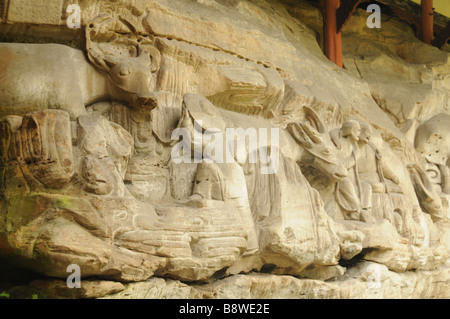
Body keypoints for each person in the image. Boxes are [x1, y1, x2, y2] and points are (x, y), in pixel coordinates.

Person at [330, 120, 372, 222]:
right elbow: (341, 166)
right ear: (351, 131)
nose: (359, 133)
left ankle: (365, 211)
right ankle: (356, 212)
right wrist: (354, 158)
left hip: (351, 178)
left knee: (367, 187)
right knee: (348, 185)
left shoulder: (352, 146)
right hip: (340, 177)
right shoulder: (340, 144)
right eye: (357, 130)